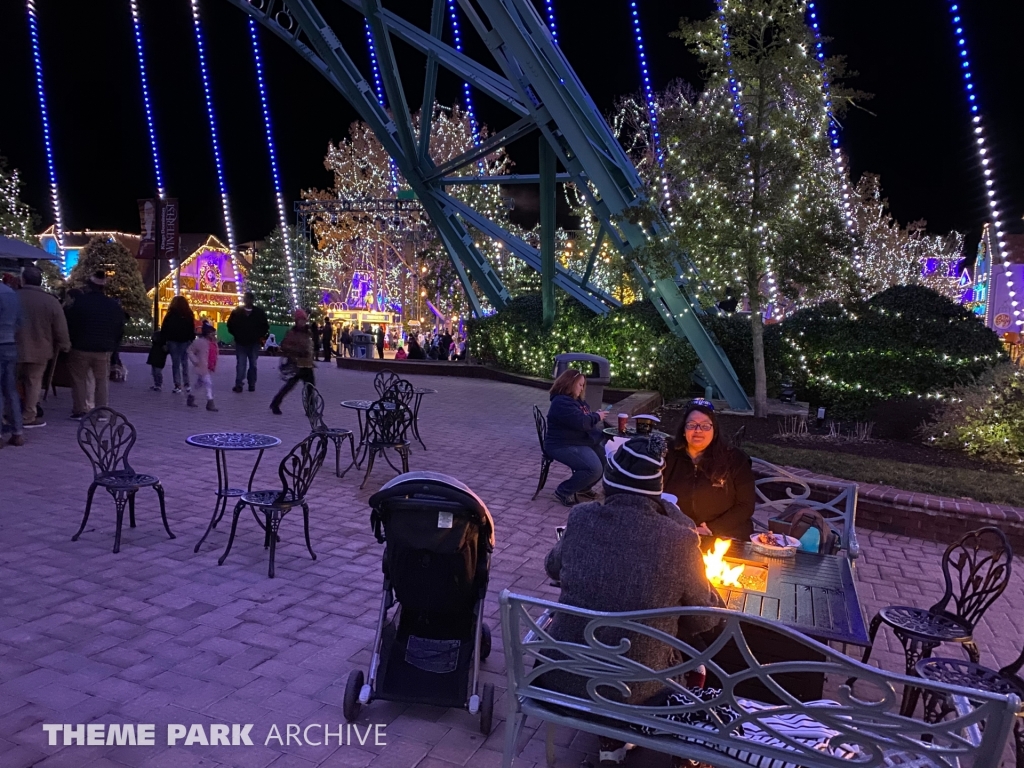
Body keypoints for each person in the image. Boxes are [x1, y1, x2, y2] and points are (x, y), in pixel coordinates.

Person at [543, 435, 725, 768]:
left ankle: (610, 746)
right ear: (657, 492)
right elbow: (706, 619)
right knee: (693, 662)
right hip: (635, 692)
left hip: (562, 676)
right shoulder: (680, 539)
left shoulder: (581, 519)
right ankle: (686, 755)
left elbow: (551, 566)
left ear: (608, 484)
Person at [663, 398, 756, 540]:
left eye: (705, 426)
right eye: (692, 425)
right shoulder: (667, 455)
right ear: (683, 430)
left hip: (725, 533)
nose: (698, 430)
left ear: (714, 431)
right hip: (677, 532)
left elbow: (745, 506)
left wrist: (712, 528)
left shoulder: (735, 460)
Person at [15, 264, 70, 429]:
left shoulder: (13, 296)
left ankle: (8, 412)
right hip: (41, 349)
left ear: (23, 280)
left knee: (11, 380)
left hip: (14, 347)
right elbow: (61, 328)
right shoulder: (51, 301)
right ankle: (29, 414)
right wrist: (65, 344)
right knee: (34, 382)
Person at [64, 271, 125, 419]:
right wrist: (113, 345)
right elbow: (120, 328)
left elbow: (69, 323)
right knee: (102, 381)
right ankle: (102, 411)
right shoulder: (113, 305)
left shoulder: (80, 303)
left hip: (80, 347)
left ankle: (80, 410)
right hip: (104, 349)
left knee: (79, 380)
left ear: (89, 286)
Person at [544, 369, 609, 506]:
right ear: (570, 383)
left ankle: (583, 488)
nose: (582, 388)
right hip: (561, 444)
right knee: (593, 468)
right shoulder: (561, 403)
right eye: (580, 384)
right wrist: (597, 417)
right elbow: (582, 423)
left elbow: (583, 418)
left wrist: (593, 415)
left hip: (577, 440)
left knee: (605, 460)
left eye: (583, 385)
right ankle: (564, 491)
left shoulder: (575, 400)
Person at [270, 308, 315, 415]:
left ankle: (310, 409)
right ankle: (275, 403)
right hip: (296, 364)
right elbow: (284, 346)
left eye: (304, 320)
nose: (302, 322)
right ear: (296, 321)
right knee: (289, 386)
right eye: (300, 320)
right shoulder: (292, 333)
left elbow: (310, 346)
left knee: (310, 387)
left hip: (307, 364)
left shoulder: (307, 332)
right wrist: (298, 351)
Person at [227, 291, 270, 393]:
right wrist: (237, 335)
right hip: (241, 342)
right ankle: (239, 384)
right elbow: (230, 325)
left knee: (252, 364)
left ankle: (251, 384)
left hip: (254, 343)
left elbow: (265, 326)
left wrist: (260, 336)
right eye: (246, 299)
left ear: (252, 300)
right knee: (241, 364)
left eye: (249, 299)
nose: (247, 301)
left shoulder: (258, 313)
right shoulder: (237, 312)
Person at [0, 276, 24, 446]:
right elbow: (21, 321)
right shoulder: (12, 294)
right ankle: (18, 432)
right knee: (11, 389)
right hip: (10, 344)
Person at [160, 295, 196, 394]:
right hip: (185, 341)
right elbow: (191, 328)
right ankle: (187, 384)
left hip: (173, 341)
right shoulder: (188, 314)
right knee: (184, 363)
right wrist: (191, 339)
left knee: (175, 364)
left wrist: (164, 341)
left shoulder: (170, 314)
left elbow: (164, 329)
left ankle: (177, 385)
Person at [186, 322, 219, 411]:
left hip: (208, 366)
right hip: (202, 366)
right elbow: (189, 350)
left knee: (199, 383)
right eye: (211, 333)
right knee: (208, 383)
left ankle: (191, 396)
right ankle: (210, 401)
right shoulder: (199, 342)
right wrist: (195, 361)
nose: (213, 335)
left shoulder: (213, 343)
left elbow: (214, 354)